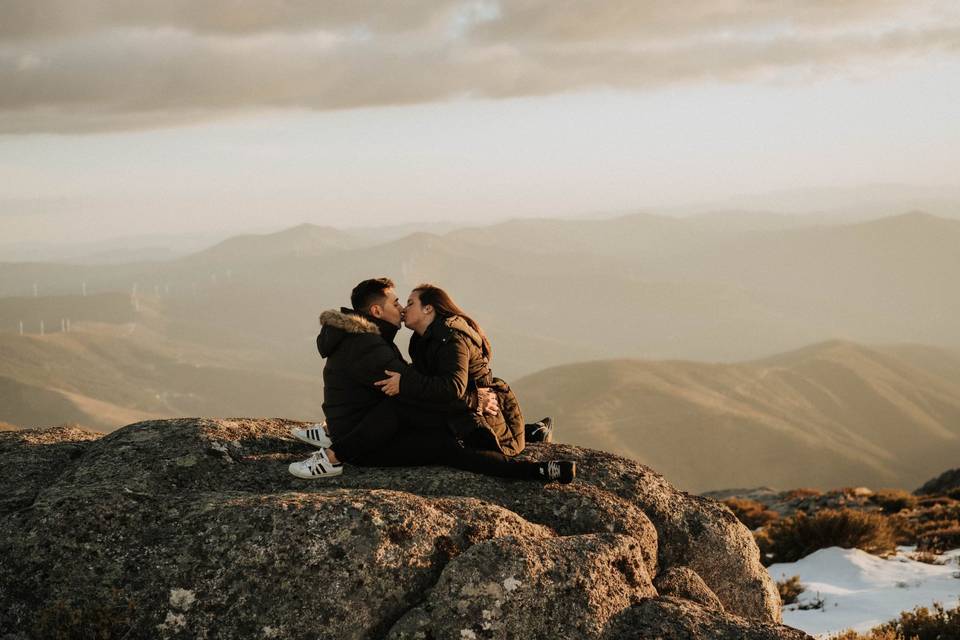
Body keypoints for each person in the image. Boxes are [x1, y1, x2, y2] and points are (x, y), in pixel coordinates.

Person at [288, 278, 573, 484]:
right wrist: (472, 401)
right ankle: (333, 456)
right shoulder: (369, 346)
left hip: (367, 426)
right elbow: (415, 391)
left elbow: (419, 385)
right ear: (376, 312)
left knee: (441, 435)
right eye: (397, 302)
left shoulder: (374, 339)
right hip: (365, 438)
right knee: (435, 435)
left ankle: (527, 445)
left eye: (406, 302)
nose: (401, 308)